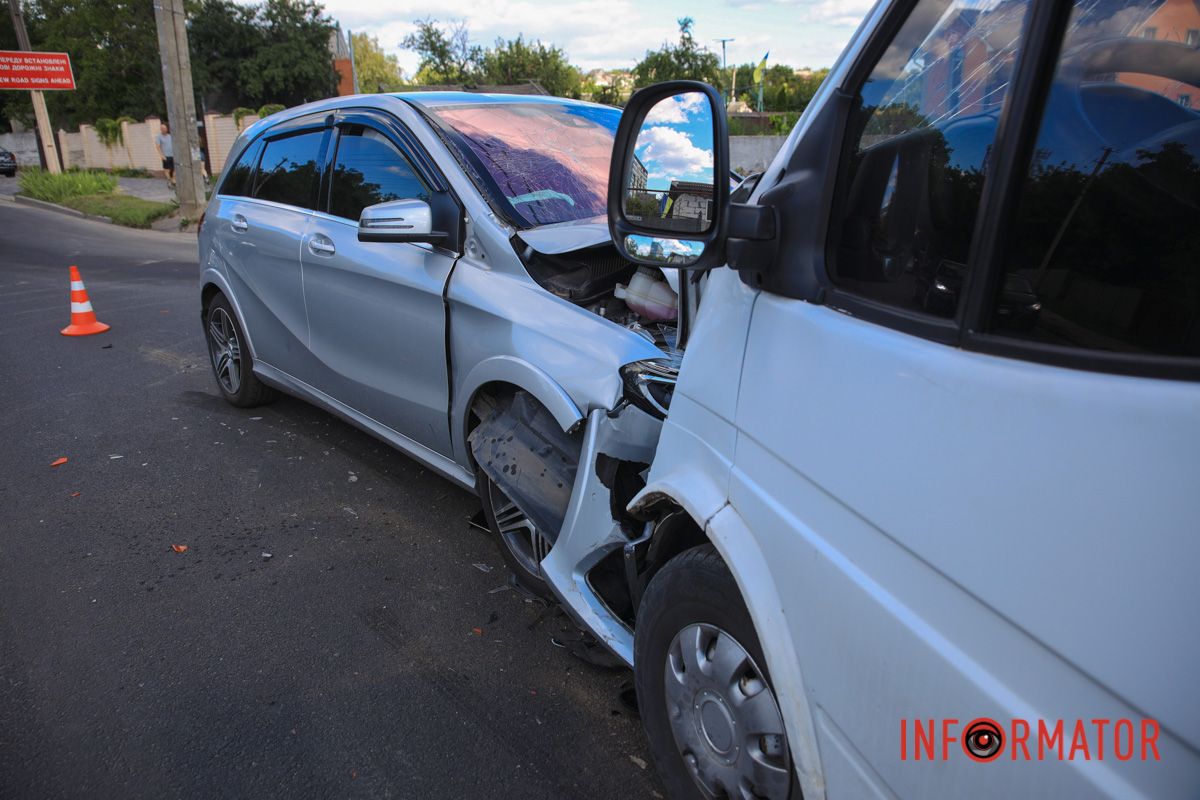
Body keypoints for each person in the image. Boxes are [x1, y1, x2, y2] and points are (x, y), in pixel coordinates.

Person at [154, 122, 174, 188]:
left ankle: (172, 179)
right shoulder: (159, 137)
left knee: (173, 169)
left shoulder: (170, 136)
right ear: (160, 129)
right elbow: (158, 147)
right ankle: (169, 181)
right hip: (165, 156)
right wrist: (162, 155)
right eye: (162, 128)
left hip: (172, 155)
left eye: (165, 128)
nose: (164, 129)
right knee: (167, 169)